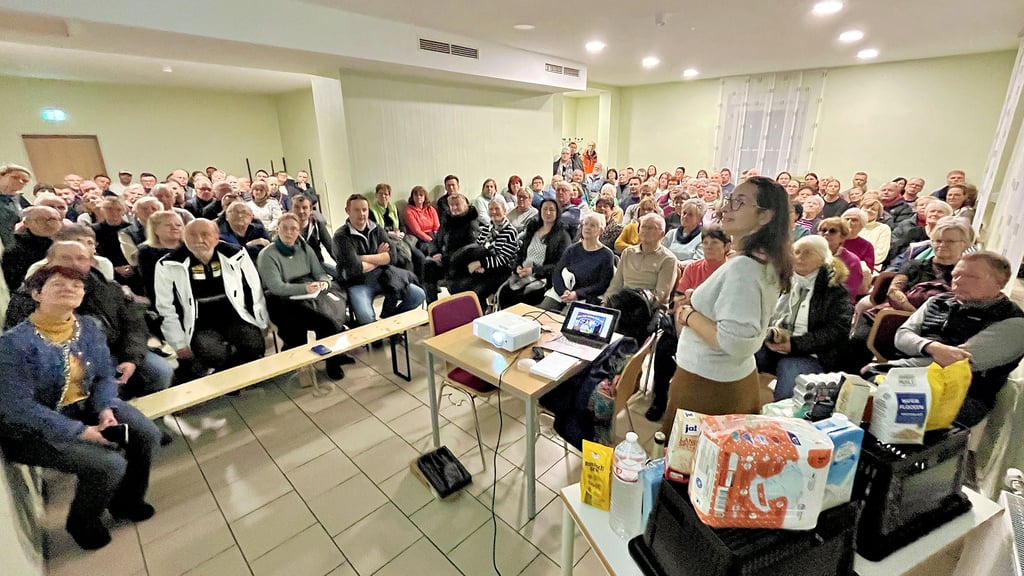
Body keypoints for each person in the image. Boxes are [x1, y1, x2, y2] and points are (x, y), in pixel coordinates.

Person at [0, 265, 161, 550]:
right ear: (37, 294)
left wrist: (105, 410)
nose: (70, 289)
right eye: (58, 284)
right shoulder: (13, 345)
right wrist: (82, 432)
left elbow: (103, 375)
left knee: (146, 434)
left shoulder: (87, 327)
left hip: (85, 406)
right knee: (109, 464)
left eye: (77, 286)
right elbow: (18, 408)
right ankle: (83, 522)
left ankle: (126, 501)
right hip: (33, 429)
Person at [660, 177, 792, 433]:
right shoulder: (759, 259)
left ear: (765, 216)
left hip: (709, 384)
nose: (727, 207)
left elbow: (734, 342)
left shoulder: (744, 268)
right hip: (724, 377)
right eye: (730, 200)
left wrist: (688, 314)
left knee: (687, 455)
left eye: (740, 202)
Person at [6, 241, 173, 400]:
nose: (73, 263)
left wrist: (130, 358)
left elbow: (134, 325)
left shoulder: (109, 288)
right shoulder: (30, 295)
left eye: (80, 258)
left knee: (160, 371)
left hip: (117, 350)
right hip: (67, 362)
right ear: (50, 261)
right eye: (65, 258)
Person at [875, 252, 1024, 426]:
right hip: (910, 377)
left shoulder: (1014, 323)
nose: (958, 281)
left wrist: (892, 369)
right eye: (956, 275)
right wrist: (930, 346)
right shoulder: (938, 301)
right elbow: (901, 336)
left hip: (961, 397)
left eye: (971, 277)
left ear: (1001, 282)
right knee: (859, 394)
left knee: (878, 402)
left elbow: (955, 361)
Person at [845, 217, 974, 371]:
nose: (942, 245)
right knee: (858, 340)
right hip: (895, 315)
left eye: (950, 241)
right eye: (938, 240)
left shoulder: (968, 274)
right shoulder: (914, 265)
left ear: (965, 244)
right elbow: (894, 292)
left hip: (939, 325)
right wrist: (918, 315)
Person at [153, 219, 269, 381]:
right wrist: (178, 343)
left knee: (254, 346)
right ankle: (229, 380)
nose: (199, 240)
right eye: (192, 235)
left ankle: (236, 380)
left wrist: (262, 322)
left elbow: (254, 290)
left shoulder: (236, 254)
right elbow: (166, 307)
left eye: (205, 234)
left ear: (216, 237)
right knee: (213, 354)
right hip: (199, 324)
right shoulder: (167, 265)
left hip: (236, 316)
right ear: (184, 237)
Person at [646, 226, 732, 420]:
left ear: (727, 246)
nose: (708, 247)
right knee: (664, 349)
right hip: (684, 322)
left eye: (715, 243)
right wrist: (681, 333)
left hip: (714, 328)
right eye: (705, 242)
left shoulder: (731, 273)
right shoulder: (694, 268)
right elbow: (678, 301)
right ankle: (659, 399)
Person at [756, 236, 852, 401]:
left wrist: (793, 345)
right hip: (771, 343)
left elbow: (837, 331)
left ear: (822, 259)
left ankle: (780, 415)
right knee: (739, 354)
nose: (799, 257)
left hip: (810, 352)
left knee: (790, 376)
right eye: (796, 252)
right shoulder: (778, 279)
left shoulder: (834, 290)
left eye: (807, 253)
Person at [257, 214, 351, 379]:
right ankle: (332, 362)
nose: (289, 232)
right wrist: (305, 288)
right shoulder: (267, 254)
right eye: (285, 228)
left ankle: (333, 353)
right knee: (325, 322)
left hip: (309, 291)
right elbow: (276, 287)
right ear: (277, 229)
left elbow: (319, 273)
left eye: (293, 229)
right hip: (282, 298)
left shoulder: (305, 248)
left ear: (299, 231)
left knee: (334, 310)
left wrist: (324, 283)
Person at [333, 194, 425, 327]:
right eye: (357, 210)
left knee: (418, 295)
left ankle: (390, 324)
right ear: (347, 211)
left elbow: (392, 256)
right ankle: (378, 331)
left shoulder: (376, 228)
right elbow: (355, 267)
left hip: (384, 277)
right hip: (358, 282)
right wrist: (379, 257)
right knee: (366, 318)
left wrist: (362, 258)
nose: (362, 214)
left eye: (364, 209)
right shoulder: (341, 236)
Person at [497, 198, 571, 308]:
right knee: (504, 293)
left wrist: (534, 271)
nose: (548, 212)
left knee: (519, 299)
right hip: (522, 274)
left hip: (543, 279)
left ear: (557, 213)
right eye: (545, 209)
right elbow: (521, 253)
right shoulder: (533, 229)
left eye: (551, 210)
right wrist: (517, 266)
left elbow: (559, 265)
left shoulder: (563, 236)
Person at [446, 197, 519, 304]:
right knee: (456, 286)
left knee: (474, 291)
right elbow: (477, 248)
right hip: (483, 267)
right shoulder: (486, 229)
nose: (494, 212)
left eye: (497, 209)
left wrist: (481, 264)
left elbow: (504, 260)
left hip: (501, 271)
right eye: (491, 209)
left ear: (504, 210)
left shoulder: (510, 231)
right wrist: (479, 265)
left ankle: (480, 311)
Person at [539, 212, 615, 312]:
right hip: (564, 292)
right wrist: (563, 291)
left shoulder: (606, 255)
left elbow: (603, 284)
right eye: (585, 224)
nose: (587, 228)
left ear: (601, 230)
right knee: (541, 312)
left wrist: (577, 294)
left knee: (566, 317)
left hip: (586, 296)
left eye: (592, 225)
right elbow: (557, 272)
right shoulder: (572, 249)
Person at [605, 212, 677, 306]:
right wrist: (605, 305)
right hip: (623, 303)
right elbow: (616, 285)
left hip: (649, 307)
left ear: (662, 234)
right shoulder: (628, 253)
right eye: (643, 227)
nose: (645, 231)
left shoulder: (668, 259)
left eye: (651, 228)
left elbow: (661, 296)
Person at [422, 194, 479, 303]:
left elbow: (469, 250)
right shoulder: (447, 220)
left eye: (457, 205)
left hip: (460, 264)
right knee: (428, 265)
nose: (454, 208)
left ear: (466, 206)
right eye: (451, 205)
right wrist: (434, 252)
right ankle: (432, 305)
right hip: (444, 261)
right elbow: (435, 240)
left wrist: (444, 257)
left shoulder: (471, 224)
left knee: (456, 282)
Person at [3, 205, 62, 289]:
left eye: (53, 220)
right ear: (26, 222)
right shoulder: (14, 247)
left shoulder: (67, 245)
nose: (49, 224)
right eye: (41, 220)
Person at [93, 197, 141, 294]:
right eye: (109, 209)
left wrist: (133, 267)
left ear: (123, 211)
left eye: (118, 209)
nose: (114, 213)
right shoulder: (93, 230)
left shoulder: (133, 230)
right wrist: (114, 269)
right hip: (106, 273)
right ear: (102, 210)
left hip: (133, 273)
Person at [137, 210, 184, 306]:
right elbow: (150, 282)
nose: (174, 228)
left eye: (178, 225)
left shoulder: (188, 248)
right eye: (168, 225)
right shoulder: (146, 252)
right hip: (162, 301)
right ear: (155, 230)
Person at [889, 199, 953, 265]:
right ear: (926, 215)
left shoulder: (950, 237)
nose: (935, 214)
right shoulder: (913, 232)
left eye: (940, 212)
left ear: (948, 217)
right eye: (932, 211)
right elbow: (899, 254)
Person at [818, 217, 864, 304]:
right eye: (823, 230)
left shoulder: (852, 260)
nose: (826, 233)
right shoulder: (810, 254)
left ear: (842, 237)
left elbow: (849, 292)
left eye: (832, 231)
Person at [289, 194, 335, 277]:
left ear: (310, 210)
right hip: (295, 270)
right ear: (291, 209)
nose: (301, 211)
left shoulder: (317, 225)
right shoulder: (285, 228)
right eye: (297, 207)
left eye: (304, 208)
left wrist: (344, 267)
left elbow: (331, 248)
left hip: (318, 265)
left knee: (344, 276)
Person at [120, 196, 162, 267]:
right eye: (144, 209)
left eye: (154, 208)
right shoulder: (126, 233)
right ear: (135, 212)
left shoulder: (168, 228)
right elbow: (134, 260)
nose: (150, 211)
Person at [662, 199, 705, 265]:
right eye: (684, 213)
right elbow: (661, 252)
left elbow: (698, 261)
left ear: (700, 219)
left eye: (690, 215)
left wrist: (678, 264)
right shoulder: (671, 233)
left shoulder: (703, 237)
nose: (685, 217)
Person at [0, 164, 31, 248]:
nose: (20, 182)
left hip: (22, 244)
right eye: (15, 177)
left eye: (24, 181)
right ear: (1, 176)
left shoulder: (20, 198)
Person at [858, 199, 892, 272]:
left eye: (873, 209)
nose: (869, 210)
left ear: (878, 214)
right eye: (866, 207)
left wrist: (860, 263)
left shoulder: (883, 229)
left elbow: (880, 254)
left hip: (870, 267)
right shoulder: (850, 224)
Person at [841, 208, 876, 272]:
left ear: (862, 225)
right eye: (847, 219)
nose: (849, 222)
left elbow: (868, 271)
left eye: (854, 220)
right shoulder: (832, 240)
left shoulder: (867, 246)